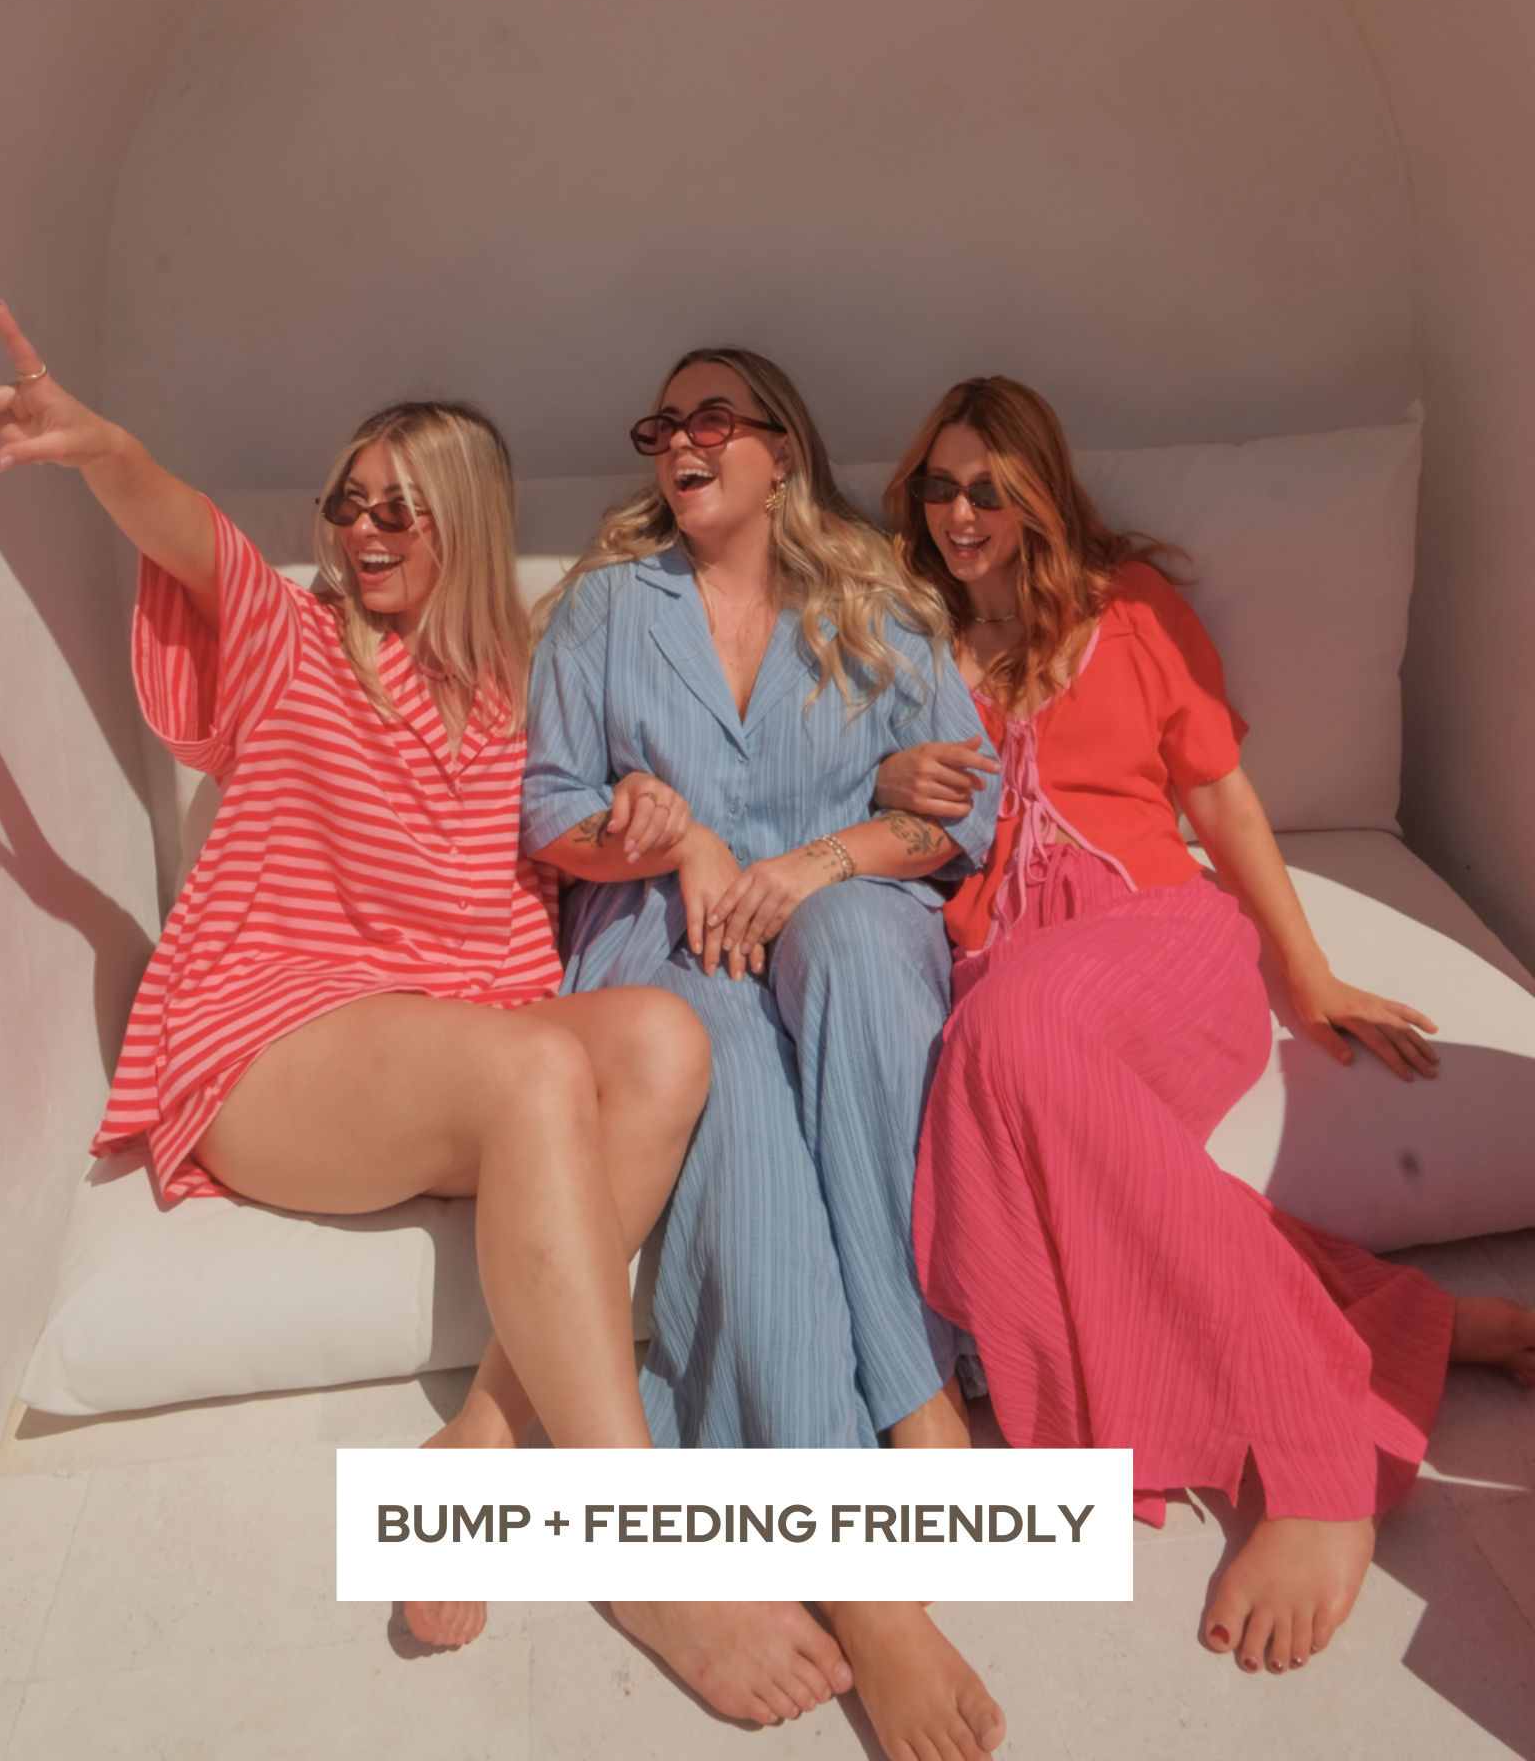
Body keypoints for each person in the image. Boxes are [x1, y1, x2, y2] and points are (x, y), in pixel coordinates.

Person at [0, 301, 710, 1651]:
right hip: (273, 1052)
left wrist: (642, 823)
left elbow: (570, 837)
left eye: (399, 509)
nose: (363, 529)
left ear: (465, 526)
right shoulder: (291, 642)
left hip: (462, 1062)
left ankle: (481, 1441)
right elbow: (183, 528)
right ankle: (643, 1547)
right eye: (346, 502)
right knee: (535, 1064)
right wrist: (98, 447)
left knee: (665, 1039)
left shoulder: (523, 696)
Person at [876, 373, 1535, 1681]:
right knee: (1036, 1084)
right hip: (1012, 966)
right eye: (940, 488)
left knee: (1004, 1041)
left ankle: (1322, 1463)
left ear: (1038, 493)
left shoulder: (1128, 611)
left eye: (989, 488)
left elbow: (1223, 801)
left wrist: (1312, 973)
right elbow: (847, 794)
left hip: (1157, 943)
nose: (961, 513)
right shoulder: (905, 638)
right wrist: (890, 775)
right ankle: (1401, 1330)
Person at [522, 348, 1006, 1757]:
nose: (681, 439)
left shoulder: (879, 603)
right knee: (724, 1034)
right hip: (663, 939)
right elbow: (547, 810)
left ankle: (917, 1394)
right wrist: (657, 836)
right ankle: (862, 1586)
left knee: (853, 950)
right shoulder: (609, 609)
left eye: (712, 416)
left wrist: (815, 863)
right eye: (663, 424)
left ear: (781, 447)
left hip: (839, 914)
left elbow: (960, 818)